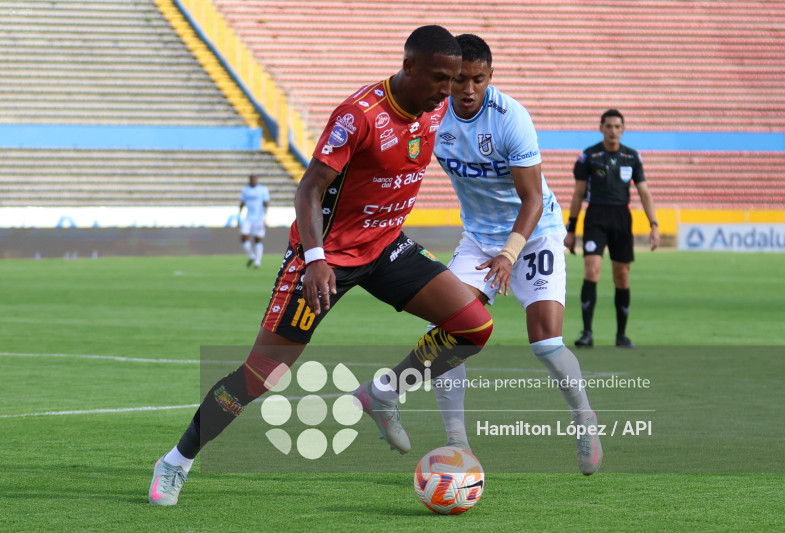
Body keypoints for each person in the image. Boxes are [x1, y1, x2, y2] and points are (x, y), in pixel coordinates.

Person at [149, 25, 495, 506]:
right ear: (408, 66)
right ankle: (176, 461)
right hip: (326, 260)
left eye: (454, 79)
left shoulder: (437, 105)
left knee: (472, 327)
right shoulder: (358, 116)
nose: (448, 90)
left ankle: (384, 392)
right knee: (261, 375)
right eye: (441, 78)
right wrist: (314, 259)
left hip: (386, 247)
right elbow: (309, 189)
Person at [430, 34, 602, 475]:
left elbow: (531, 200)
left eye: (478, 80)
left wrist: (509, 253)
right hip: (479, 238)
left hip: (534, 233)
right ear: (447, 78)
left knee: (546, 342)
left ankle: (584, 418)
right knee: (450, 333)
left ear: (490, 76)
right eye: (460, 81)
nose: (468, 90)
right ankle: (458, 447)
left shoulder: (511, 119)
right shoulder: (433, 115)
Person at [564, 109, 660, 349]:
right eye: (608, 126)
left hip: (621, 218)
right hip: (595, 216)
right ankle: (586, 332)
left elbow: (644, 192)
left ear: (623, 129)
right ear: (601, 128)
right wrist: (571, 228)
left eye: (617, 127)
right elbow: (578, 194)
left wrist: (654, 225)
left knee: (622, 276)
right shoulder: (589, 156)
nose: (613, 131)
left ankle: (621, 335)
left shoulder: (632, 157)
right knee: (591, 271)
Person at [239, 174, 270, 268]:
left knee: (258, 239)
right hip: (248, 218)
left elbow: (266, 203)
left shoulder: (263, 189)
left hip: (259, 218)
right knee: (243, 237)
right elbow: (242, 203)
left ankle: (258, 261)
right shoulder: (245, 190)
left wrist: (265, 217)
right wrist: (238, 216)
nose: (253, 181)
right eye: (251, 179)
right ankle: (251, 255)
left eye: (254, 179)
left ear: (257, 180)